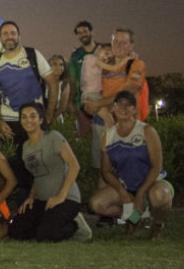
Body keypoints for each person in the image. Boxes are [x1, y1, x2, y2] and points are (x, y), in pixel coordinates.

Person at [89, 91, 174, 238]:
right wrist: (123, 192)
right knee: (97, 204)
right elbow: (106, 171)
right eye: (119, 104)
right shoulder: (108, 136)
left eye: (128, 105)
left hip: (153, 183)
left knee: (160, 196)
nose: (123, 108)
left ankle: (157, 223)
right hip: (127, 186)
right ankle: (136, 218)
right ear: (113, 108)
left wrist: (141, 193)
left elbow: (156, 166)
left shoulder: (147, 131)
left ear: (134, 109)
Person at [0, 21, 59, 188]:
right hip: (10, 124)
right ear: (0, 38)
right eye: (5, 34)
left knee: (42, 166)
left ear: (19, 36)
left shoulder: (32, 54)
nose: (9, 36)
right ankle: (25, 207)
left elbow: (53, 83)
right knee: (18, 169)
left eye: (13, 33)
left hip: (34, 121)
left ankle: (46, 205)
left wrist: (48, 114)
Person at [8, 103, 92, 242]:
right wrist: (31, 197)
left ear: (41, 119)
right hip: (43, 200)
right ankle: (48, 223)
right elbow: (37, 175)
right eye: (24, 117)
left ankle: (75, 225)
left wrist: (61, 196)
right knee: (16, 231)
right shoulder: (25, 147)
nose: (28, 120)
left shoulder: (53, 137)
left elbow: (74, 166)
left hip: (66, 198)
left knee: (45, 236)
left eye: (33, 116)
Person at [85, 28, 147, 171]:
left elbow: (129, 90)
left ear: (131, 45)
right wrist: (90, 104)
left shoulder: (136, 64)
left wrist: (98, 104)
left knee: (129, 168)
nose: (118, 45)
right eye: (115, 41)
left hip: (128, 123)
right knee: (103, 169)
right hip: (101, 122)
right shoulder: (103, 64)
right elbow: (88, 91)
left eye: (124, 43)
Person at [69, 20, 97, 137]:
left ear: (91, 32)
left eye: (85, 31)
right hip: (82, 103)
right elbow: (73, 80)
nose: (83, 34)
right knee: (87, 138)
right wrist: (71, 101)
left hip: (104, 101)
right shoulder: (76, 56)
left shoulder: (103, 50)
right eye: (79, 33)